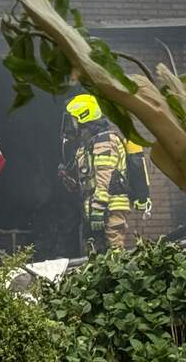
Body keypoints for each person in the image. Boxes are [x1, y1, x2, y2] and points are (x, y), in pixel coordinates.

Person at [65, 93, 131, 252]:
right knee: (96, 255)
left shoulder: (104, 141)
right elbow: (87, 180)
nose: (71, 124)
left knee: (114, 253)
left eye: (73, 119)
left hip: (109, 206)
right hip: (95, 206)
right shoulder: (87, 145)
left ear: (83, 117)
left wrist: (98, 208)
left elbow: (104, 177)